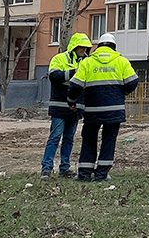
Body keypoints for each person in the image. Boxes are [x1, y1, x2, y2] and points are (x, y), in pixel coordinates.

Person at [67, 32, 137, 182]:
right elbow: (132, 82)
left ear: (98, 47)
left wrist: (71, 100)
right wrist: (122, 92)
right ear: (114, 47)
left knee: (89, 139)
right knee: (109, 140)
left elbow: (75, 85)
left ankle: (84, 174)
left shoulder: (88, 62)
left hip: (92, 110)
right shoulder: (122, 61)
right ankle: (102, 175)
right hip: (114, 110)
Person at [41, 32, 93, 178]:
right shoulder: (59, 58)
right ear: (74, 47)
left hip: (76, 107)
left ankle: (64, 168)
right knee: (55, 137)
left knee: (69, 139)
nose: (83, 50)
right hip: (59, 106)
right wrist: (75, 73)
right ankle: (46, 168)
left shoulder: (87, 61)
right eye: (81, 47)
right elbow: (54, 76)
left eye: (85, 48)